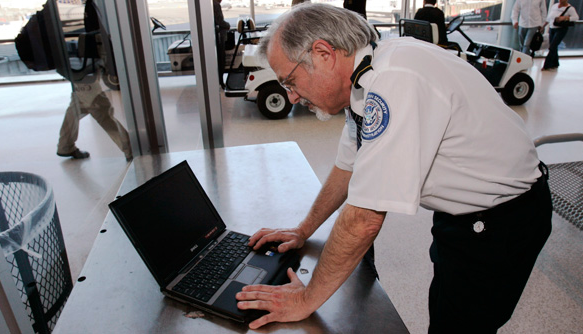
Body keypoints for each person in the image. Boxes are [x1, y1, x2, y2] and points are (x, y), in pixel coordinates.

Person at [235, 4, 553, 333]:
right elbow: (347, 168)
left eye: (290, 81)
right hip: (459, 216)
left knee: (462, 325)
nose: (291, 97)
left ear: (323, 53)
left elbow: (364, 220)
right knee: (445, 309)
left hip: (502, 221)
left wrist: (305, 300)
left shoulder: (396, 81)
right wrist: (304, 229)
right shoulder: (364, 77)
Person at [57, 0, 132, 160]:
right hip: (85, 70)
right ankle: (129, 149)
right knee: (101, 109)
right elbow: (98, 38)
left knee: (77, 105)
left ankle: (65, 145)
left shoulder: (77, 8)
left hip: (78, 67)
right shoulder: (92, 7)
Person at [542, 0, 578, 71]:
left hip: (561, 29)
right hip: (552, 28)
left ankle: (546, 65)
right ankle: (555, 63)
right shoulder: (554, 6)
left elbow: (576, 17)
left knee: (552, 47)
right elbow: (549, 18)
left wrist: (565, 18)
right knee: (553, 47)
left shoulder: (570, 8)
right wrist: (543, 26)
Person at [213, 0, 230, 88]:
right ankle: (221, 82)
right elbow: (220, 21)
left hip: (216, 36)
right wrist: (228, 25)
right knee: (221, 60)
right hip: (219, 37)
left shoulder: (213, 4)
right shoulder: (215, 5)